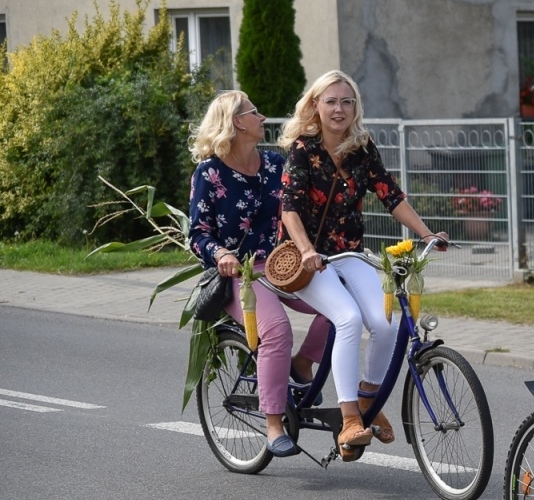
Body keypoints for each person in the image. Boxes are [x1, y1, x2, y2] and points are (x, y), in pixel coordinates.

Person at [278, 70, 449, 460]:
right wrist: (306, 249)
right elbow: (289, 209)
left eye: (347, 101)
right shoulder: (303, 150)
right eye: (331, 101)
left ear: (356, 107)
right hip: (307, 260)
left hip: (348, 253)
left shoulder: (362, 147)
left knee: (386, 321)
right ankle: (350, 418)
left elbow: (391, 195)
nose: (339, 109)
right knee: (348, 319)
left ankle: (368, 401)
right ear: (315, 106)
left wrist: (425, 234)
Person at [187, 90, 327, 457]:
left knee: (340, 307)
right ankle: (274, 425)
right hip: (241, 274)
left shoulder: (272, 163)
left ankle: (303, 363)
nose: (263, 118)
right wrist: (221, 254)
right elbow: (198, 233)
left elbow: (295, 210)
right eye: (255, 112)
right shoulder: (210, 172)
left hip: (284, 265)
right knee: (276, 329)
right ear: (237, 121)